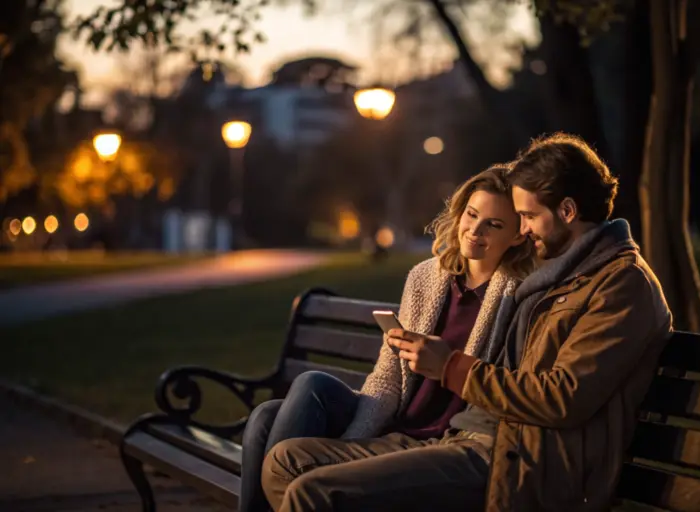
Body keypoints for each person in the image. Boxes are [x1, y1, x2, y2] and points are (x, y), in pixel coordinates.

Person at [260, 133, 673, 512]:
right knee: (284, 462)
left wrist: (451, 366)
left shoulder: (619, 284)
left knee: (312, 493)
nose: (524, 230)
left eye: (526, 216)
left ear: (567, 211)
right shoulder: (560, 272)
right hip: (463, 436)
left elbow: (563, 398)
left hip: (513, 454)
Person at [238, 165, 535, 512]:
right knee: (275, 410)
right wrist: (356, 443)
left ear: (516, 236)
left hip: (443, 438)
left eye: (494, 225)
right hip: (395, 419)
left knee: (272, 423)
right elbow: (387, 378)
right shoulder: (426, 278)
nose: (475, 230)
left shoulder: (514, 297)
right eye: (472, 214)